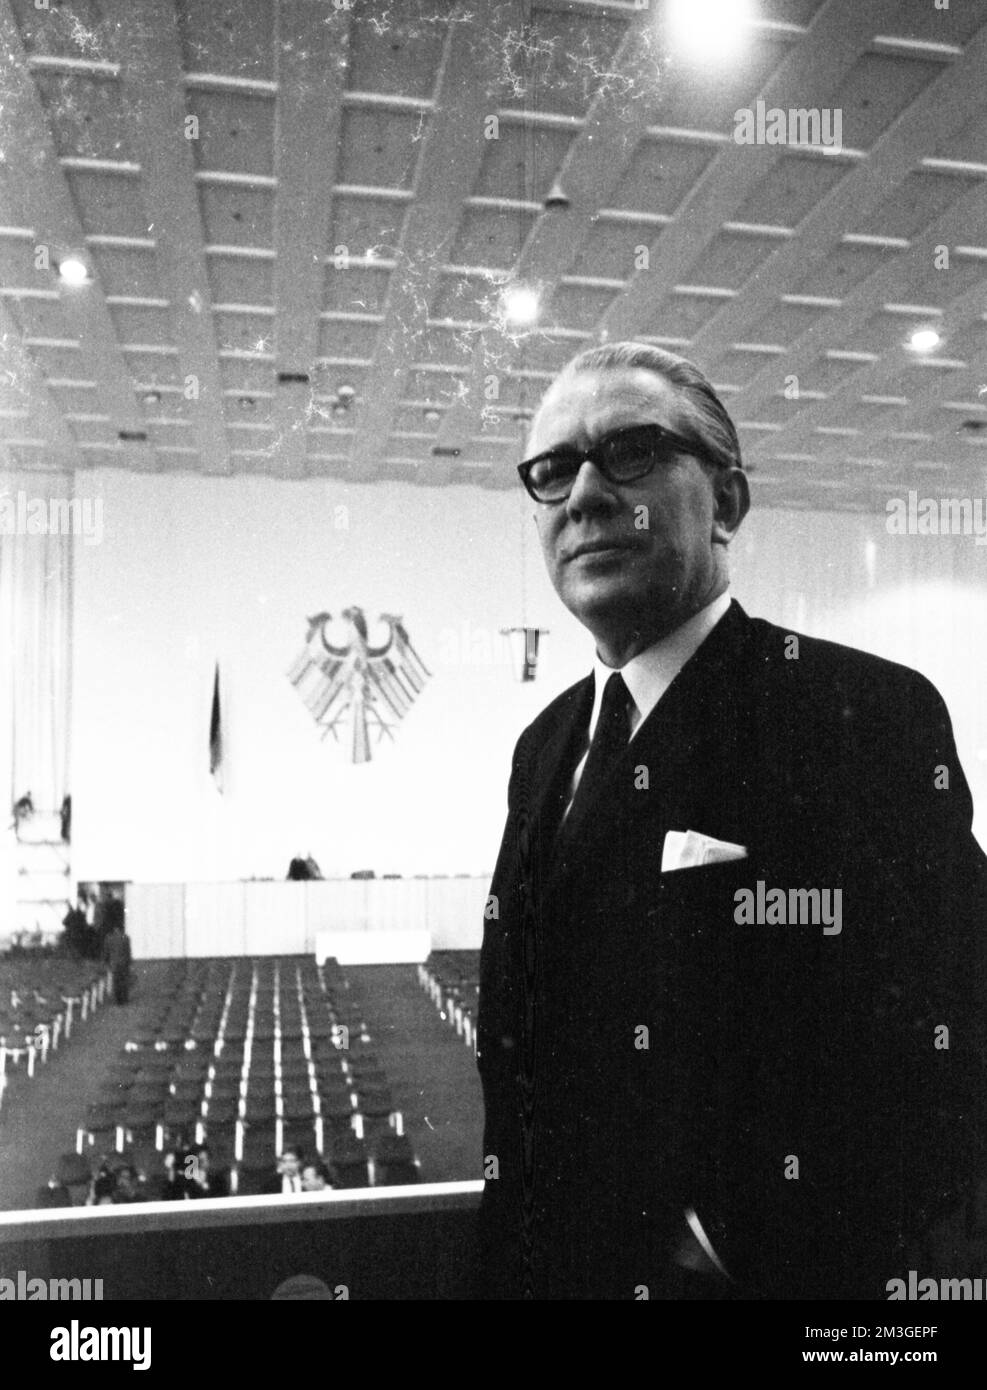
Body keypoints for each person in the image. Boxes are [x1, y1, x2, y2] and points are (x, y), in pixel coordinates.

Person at [476, 340, 987, 1301]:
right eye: (551, 471)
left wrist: (727, 1245)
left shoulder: (857, 714)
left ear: (728, 503)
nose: (583, 493)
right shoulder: (542, 748)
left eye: (630, 451)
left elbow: (953, 1047)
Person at [102, 914, 132, 1005]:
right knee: (124, 980)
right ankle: (125, 998)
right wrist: (129, 961)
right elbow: (128, 951)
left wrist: (106, 961)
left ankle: (119, 1000)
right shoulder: (125, 937)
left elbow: (106, 952)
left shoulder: (109, 938)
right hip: (124, 962)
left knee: (116, 981)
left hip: (114, 963)